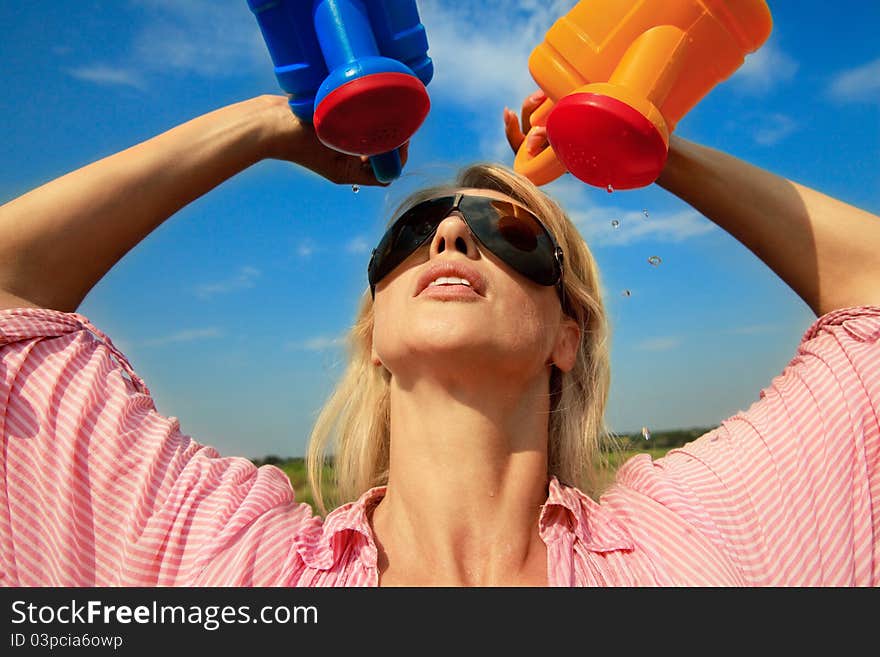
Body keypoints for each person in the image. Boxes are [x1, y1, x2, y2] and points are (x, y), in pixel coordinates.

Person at [0, 91, 878, 587]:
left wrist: (645, 146)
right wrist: (265, 126)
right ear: (374, 334)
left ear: (566, 334)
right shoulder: (242, 573)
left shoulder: (684, 555)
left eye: (514, 236)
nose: (451, 240)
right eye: (410, 237)